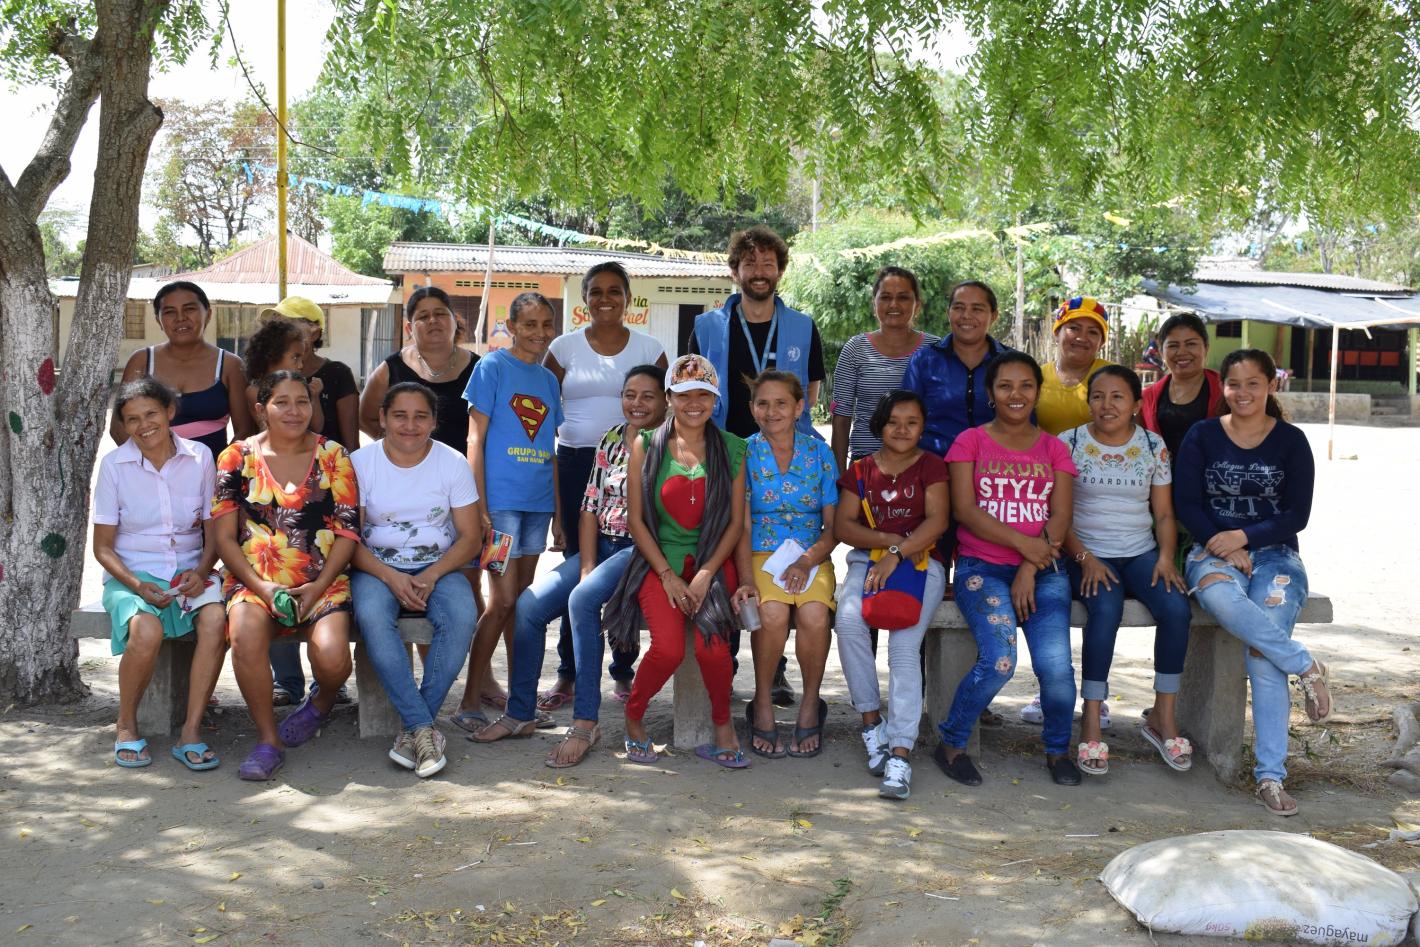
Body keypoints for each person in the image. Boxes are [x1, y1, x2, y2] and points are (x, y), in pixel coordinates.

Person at [475, 366, 667, 765]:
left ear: (665, 401)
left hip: (642, 551)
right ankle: (521, 712)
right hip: (603, 547)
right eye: (630, 394)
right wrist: (587, 565)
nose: (637, 403)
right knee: (528, 605)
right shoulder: (612, 438)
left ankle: (585, 722)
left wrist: (590, 579)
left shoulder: (671, 443)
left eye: (648, 396)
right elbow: (590, 506)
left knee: (582, 600)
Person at [1175, 348, 1332, 817]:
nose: (1242, 393)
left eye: (1253, 384)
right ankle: (1305, 665)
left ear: (1271, 385)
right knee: (1223, 600)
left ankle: (1270, 776)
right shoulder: (1203, 435)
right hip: (1210, 552)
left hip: (1277, 556)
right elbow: (1188, 504)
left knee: (1262, 652)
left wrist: (1242, 537)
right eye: (1233, 384)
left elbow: (1296, 514)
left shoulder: (1291, 441)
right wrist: (1222, 543)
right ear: (1222, 387)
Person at [690, 225, 823, 704]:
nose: (760, 272)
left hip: (781, 457)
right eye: (750, 264)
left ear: (780, 271)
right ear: (735, 271)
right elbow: (695, 387)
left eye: (769, 263)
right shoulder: (707, 326)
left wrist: (780, 427)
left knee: (780, 557)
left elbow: (811, 390)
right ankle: (722, 666)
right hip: (723, 455)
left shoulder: (803, 326)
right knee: (725, 557)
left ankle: (777, 669)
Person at [936, 352, 1081, 787]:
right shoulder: (970, 442)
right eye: (1005, 386)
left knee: (1056, 670)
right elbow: (964, 510)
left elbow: (1061, 517)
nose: (1016, 394)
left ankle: (1058, 751)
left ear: (1037, 392)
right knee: (1000, 660)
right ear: (990, 393)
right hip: (981, 568)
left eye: (1026, 386)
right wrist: (1023, 546)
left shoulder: (1054, 449)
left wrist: (1030, 566)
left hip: (1044, 570)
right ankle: (951, 743)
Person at [602, 354, 750, 768]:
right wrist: (667, 575)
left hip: (712, 562)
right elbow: (636, 520)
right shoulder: (646, 444)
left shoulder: (734, 448)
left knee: (713, 650)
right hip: (658, 562)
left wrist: (705, 574)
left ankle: (723, 724)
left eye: (703, 394)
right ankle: (634, 717)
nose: (693, 403)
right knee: (667, 650)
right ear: (669, 398)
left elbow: (735, 523)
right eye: (684, 394)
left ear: (715, 399)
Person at [212, 371, 360, 781]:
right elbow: (224, 538)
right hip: (254, 580)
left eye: (302, 401)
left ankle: (321, 703)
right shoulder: (236, 457)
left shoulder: (333, 455)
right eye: (282, 402)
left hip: (323, 580)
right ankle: (267, 740)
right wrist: (262, 586)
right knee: (244, 636)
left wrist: (318, 587)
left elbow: (348, 532)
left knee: (333, 658)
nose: (294, 411)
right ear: (261, 409)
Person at [536, 262, 666, 713]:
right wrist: (557, 510)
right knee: (581, 570)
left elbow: (667, 408)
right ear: (584, 298)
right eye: (596, 292)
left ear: (628, 298)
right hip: (578, 466)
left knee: (629, 569)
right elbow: (540, 410)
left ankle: (623, 669)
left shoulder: (650, 348)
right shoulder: (563, 347)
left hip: (637, 465)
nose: (605, 299)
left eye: (614, 291)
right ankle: (569, 671)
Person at [1059, 366, 1193, 776]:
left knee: (1176, 609)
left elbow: (1164, 514)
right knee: (1105, 610)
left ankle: (1162, 716)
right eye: (1098, 396)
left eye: (1118, 396)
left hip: (1139, 552)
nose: (1107, 405)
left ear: (1136, 404)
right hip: (1087, 553)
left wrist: (1166, 557)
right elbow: (1057, 516)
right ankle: (1091, 718)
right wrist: (1084, 559)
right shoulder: (1069, 443)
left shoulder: (1153, 445)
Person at [93, 378, 226, 771]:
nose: (143, 425)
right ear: (123, 425)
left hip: (191, 570)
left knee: (216, 620)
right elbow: (102, 548)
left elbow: (213, 532)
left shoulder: (200, 457)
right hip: (132, 574)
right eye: (132, 419)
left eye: (151, 413)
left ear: (169, 412)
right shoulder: (114, 466)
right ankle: (126, 725)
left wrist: (202, 571)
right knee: (146, 631)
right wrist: (137, 585)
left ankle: (191, 732)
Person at [349, 383, 482, 778]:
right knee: (373, 617)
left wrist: (432, 574)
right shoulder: (360, 463)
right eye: (400, 416)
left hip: (439, 567)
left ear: (434, 421)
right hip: (375, 567)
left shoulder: (452, 462)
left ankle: (413, 729)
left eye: (421, 416)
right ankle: (423, 728)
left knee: (462, 616)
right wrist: (390, 576)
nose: (410, 425)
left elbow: (470, 538)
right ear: (382, 418)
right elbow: (349, 539)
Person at [454, 292, 565, 733]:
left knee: (521, 605)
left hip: (537, 507)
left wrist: (557, 513)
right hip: (500, 508)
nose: (539, 333)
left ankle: (521, 704)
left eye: (546, 324)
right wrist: (479, 506)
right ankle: (470, 699)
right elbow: (474, 440)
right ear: (512, 326)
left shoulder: (549, 381)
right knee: (500, 602)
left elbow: (550, 450)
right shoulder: (492, 367)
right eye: (530, 324)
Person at [832, 391, 949, 799]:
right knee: (848, 622)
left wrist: (897, 554)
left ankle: (900, 751)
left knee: (902, 647)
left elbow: (937, 522)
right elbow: (844, 527)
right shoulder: (861, 470)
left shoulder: (932, 466)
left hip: (921, 564)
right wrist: (887, 542)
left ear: (923, 426)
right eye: (894, 421)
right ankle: (871, 723)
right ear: (879, 425)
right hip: (867, 561)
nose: (902, 429)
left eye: (912, 422)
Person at [736, 371, 840, 759]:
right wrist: (746, 578)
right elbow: (741, 524)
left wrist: (806, 560)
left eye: (781, 403)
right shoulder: (743, 453)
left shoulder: (820, 453)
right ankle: (762, 701)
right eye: (762, 403)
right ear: (751, 409)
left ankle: (811, 702)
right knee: (773, 613)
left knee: (814, 614)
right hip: (760, 555)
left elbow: (835, 527)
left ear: (799, 407)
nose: (771, 411)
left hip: (811, 555)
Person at [112, 280, 255, 461]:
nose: (180, 318)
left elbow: (245, 430)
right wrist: (152, 468)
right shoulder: (142, 361)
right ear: (158, 320)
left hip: (213, 472)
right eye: (169, 312)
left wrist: (221, 471)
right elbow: (118, 427)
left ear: (208, 314)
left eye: (189, 309)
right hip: (152, 472)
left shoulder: (230, 365)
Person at [831, 266, 940, 471]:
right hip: (866, 467)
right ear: (874, 304)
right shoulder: (855, 349)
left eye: (903, 297)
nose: (894, 304)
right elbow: (841, 419)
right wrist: (839, 478)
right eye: (885, 297)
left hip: (922, 468)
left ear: (917, 305)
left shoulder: (935, 349)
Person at [360, 286, 479, 456]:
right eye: (423, 316)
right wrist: (400, 447)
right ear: (409, 329)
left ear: (454, 320)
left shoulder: (480, 370)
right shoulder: (390, 370)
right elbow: (365, 418)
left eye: (440, 313)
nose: (433, 320)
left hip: (465, 469)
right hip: (407, 468)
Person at [900, 280, 1013, 459]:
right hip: (935, 467)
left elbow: (1026, 424)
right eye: (959, 308)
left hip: (997, 468)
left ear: (994, 316)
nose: (966, 315)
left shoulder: (1013, 363)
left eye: (977, 309)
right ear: (948, 313)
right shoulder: (924, 361)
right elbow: (904, 419)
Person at [265, 296, 360, 450]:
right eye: (276, 326)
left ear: (314, 333)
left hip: (329, 462)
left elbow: (351, 444)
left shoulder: (338, 374)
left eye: (288, 325)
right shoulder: (265, 374)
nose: (279, 333)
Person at [1141, 312, 1223, 462]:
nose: (1182, 352)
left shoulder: (1226, 390)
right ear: (1161, 352)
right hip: (1160, 477)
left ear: (1206, 348)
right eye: (1173, 345)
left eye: (1191, 344)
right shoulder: (1147, 397)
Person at [1036, 296, 1114, 436]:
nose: (1082, 338)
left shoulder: (1114, 376)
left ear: (1101, 342)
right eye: (1074, 328)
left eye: (1092, 332)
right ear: (1057, 333)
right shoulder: (1036, 377)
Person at [243, 316, 325, 436]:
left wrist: (314, 396)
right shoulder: (255, 391)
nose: (301, 365)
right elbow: (275, 431)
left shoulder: (300, 387)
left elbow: (317, 428)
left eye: (301, 359)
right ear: (272, 356)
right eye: (295, 357)